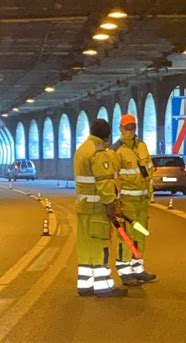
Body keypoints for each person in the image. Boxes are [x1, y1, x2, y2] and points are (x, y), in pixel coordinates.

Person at [74, 119, 128, 298]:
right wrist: (111, 205)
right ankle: (103, 285)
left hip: (83, 207)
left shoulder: (82, 149)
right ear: (107, 136)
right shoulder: (98, 153)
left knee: (86, 248)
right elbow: (104, 183)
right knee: (100, 246)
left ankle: (85, 284)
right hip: (97, 208)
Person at [110, 114, 156, 286]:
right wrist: (116, 203)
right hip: (126, 202)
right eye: (127, 128)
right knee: (126, 236)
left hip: (142, 201)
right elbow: (113, 178)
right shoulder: (116, 151)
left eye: (133, 127)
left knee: (140, 235)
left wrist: (150, 193)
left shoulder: (142, 146)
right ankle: (125, 272)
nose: (130, 131)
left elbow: (149, 170)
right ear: (120, 129)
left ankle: (138, 268)